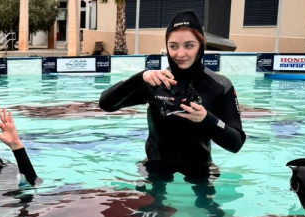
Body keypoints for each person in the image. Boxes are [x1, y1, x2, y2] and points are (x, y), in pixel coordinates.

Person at [99, 10, 245, 179]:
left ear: (200, 45)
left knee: (206, 205)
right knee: (151, 204)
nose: (180, 54)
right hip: (155, 165)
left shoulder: (220, 85)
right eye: (173, 46)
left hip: (200, 167)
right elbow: (106, 103)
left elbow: (236, 143)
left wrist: (206, 119)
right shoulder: (156, 82)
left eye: (189, 45)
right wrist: (140, 78)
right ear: (167, 46)